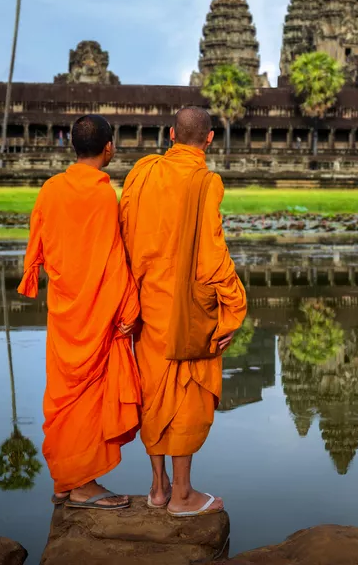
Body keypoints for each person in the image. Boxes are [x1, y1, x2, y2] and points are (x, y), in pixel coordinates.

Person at [119, 106, 248, 517]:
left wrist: (126, 298)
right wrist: (234, 306)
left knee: (153, 392)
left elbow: (124, 231)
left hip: (144, 303)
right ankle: (183, 494)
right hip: (185, 310)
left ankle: (157, 487)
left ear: (171, 133)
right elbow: (212, 255)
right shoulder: (206, 181)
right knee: (185, 394)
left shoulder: (142, 171)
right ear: (209, 139)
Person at [18, 114, 141, 511]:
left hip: (66, 307)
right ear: (109, 147)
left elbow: (38, 244)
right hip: (96, 311)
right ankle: (82, 485)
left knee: (63, 394)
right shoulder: (104, 196)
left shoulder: (51, 189)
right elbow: (112, 258)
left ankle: (65, 481)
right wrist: (128, 306)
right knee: (87, 396)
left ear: (73, 146)